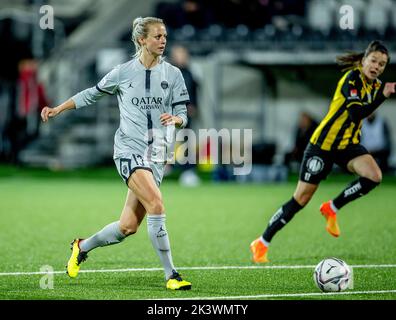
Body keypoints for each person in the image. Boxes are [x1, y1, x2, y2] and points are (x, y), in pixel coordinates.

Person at [41, 17, 192, 290]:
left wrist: (178, 120)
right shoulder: (123, 72)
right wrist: (57, 109)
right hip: (128, 151)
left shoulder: (174, 74)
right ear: (142, 40)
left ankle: (82, 246)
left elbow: (183, 113)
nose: (163, 41)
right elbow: (91, 94)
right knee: (156, 204)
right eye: (157, 36)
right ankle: (172, 276)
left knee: (127, 227)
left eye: (165, 36)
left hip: (156, 155)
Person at [250, 40, 396, 263]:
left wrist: (382, 93)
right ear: (364, 60)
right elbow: (356, 114)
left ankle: (332, 207)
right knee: (301, 199)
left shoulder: (375, 87)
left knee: (374, 176)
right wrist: (383, 96)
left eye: (382, 64)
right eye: (374, 60)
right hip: (323, 146)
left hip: (348, 145)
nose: (377, 67)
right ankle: (262, 242)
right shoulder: (352, 79)